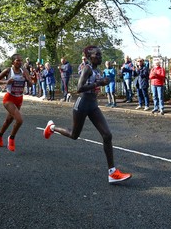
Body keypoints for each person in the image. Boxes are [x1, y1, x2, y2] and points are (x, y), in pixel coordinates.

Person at [43, 45, 132, 184]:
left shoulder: (97, 70)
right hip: (82, 104)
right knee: (74, 135)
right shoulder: (87, 68)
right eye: (97, 55)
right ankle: (52, 128)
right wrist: (99, 82)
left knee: (107, 135)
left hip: (93, 105)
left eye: (101, 55)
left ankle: (112, 172)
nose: (100, 57)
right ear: (90, 57)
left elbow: (97, 83)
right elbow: (79, 88)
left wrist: (104, 82)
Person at [0, 54, 32, 152]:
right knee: (19, 120)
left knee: (9, 120)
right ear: (13, 62)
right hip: (9, 98)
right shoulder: (8, 70)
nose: (20, 62)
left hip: (19, 98)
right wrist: (6, 82)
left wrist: (27, 78)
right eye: (17, 60)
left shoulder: (25, 71)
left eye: (21, 60)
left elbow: (31, 84)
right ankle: (11, 138)